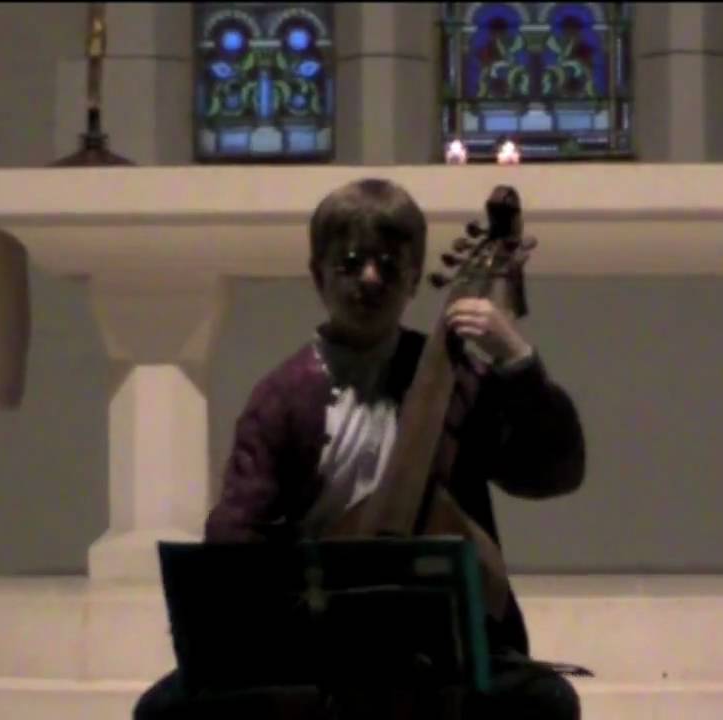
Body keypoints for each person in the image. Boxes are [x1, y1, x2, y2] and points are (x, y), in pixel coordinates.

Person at [135, 178, 587, 720]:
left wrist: (517, 360)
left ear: (415, 279)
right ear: (318, 275)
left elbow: (551, 473)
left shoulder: (458, 378)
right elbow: (238, 533)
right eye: (350, 263)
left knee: (547, 703)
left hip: (436, 649)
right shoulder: (282, 397)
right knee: (163, 711)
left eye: (389, 266)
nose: (371, 278)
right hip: (317, 644)